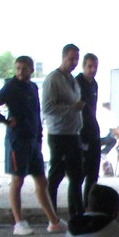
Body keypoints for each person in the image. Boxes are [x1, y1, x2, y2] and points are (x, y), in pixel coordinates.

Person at [0, 55, 63, 235]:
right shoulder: (11, 86)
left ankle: (53, 221)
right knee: (18, 180)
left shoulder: (33, 87)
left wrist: (39, 136)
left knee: (41, 180)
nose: (20, 72)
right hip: (18, 140)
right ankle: (18, 222)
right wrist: (6, 121)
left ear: (31, 70)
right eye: (18, 68)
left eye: (24, 68)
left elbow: (36, 112)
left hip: (32, 139)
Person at [43, 43, 86, 218]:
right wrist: (72, 108)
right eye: (71, 59)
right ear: (63, 58)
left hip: (73, 133)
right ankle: (52, 214)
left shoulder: (72, 80)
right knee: (56, 175)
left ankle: (76, 213)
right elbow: (47, 108)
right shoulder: (53, 79)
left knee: (77, 176)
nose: (74, 63)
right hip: (59, 134)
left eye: (76, 59)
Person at [76, 52, 103, 193]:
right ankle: (77, 204)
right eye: (90, 66)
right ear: (83, 66)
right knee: (79, 174)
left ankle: (89, 202)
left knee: (93, 173)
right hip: (80, 132)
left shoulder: (94, 84)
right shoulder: (77, 83)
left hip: (92, 129)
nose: (93, 70)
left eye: (95, 67)